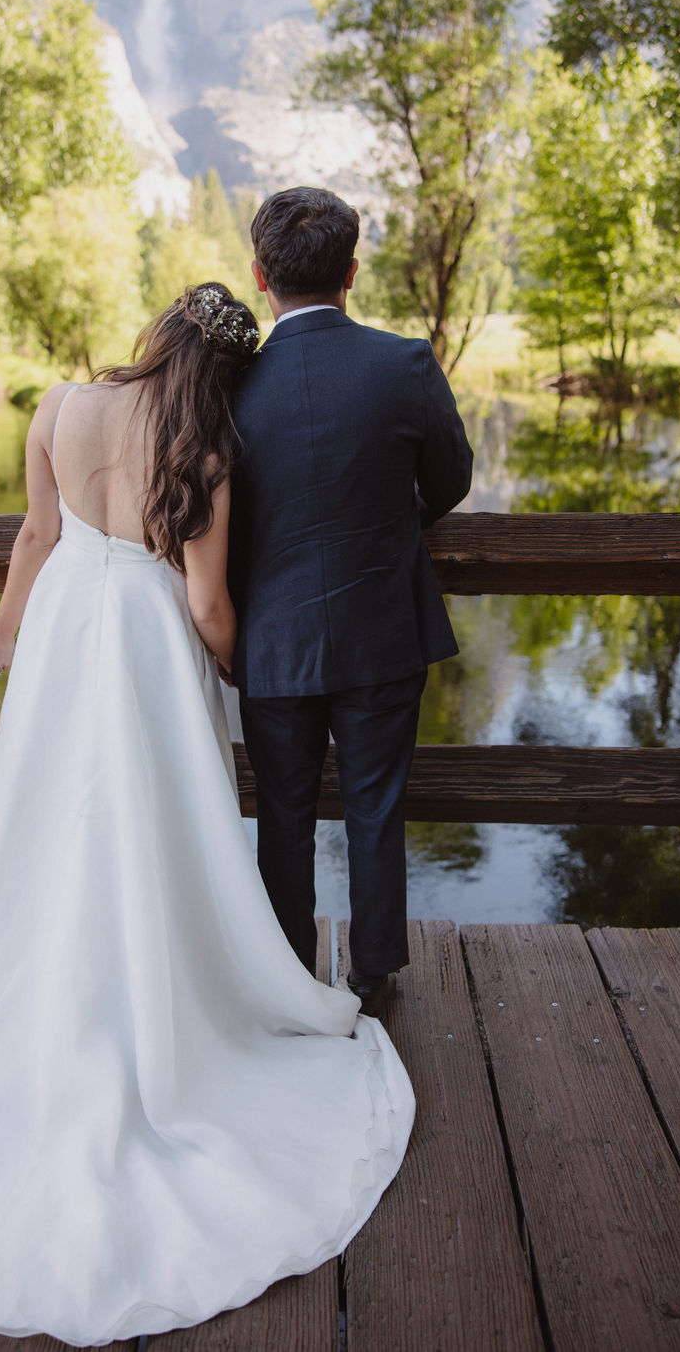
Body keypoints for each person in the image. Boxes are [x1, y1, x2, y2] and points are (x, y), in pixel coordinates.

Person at [0, 282, 415, 1346]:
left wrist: (0, 639)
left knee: (49, 816)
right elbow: (202, 601)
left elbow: (35, 533)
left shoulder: (56, 404)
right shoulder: (202, 450)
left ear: (156, 338)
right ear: (223, 372)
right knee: (149, 825)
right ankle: (148, 982)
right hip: (145, 640)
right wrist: (233, 666)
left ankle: (45, 965)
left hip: (63, 634)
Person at [229, 188, 473, 1014]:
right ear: (352, 273)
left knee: (283, 814)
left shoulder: (228, 383)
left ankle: (290, 971)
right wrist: (390, 522)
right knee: (376, 804)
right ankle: (374, 973)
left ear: (261, 275)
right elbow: (451, 480)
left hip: (270, 638)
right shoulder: (403, 363)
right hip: (382, 629)